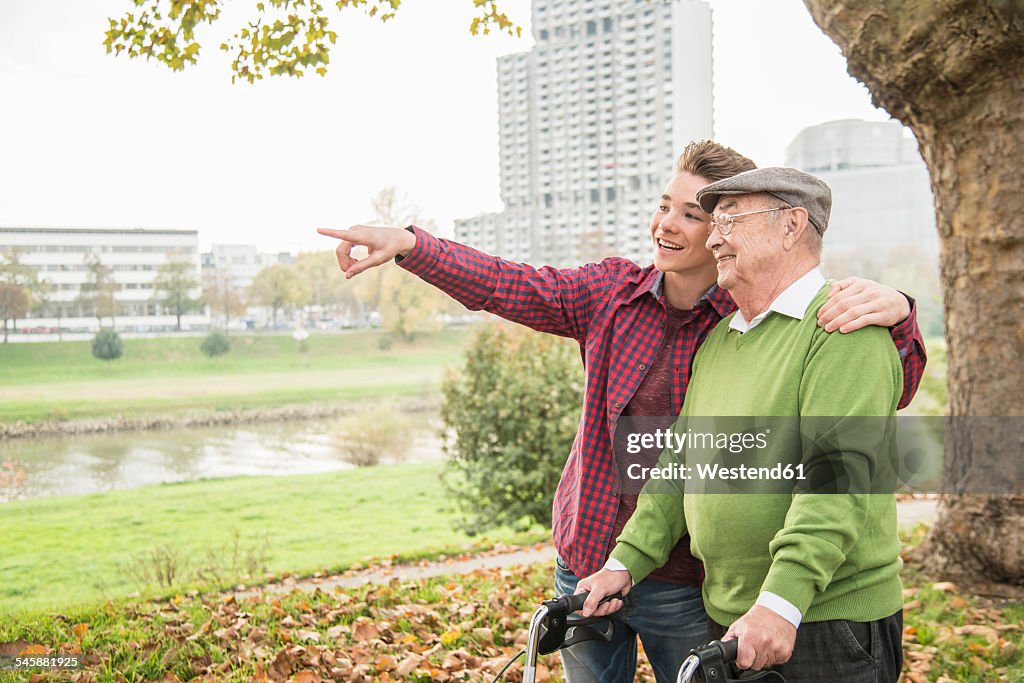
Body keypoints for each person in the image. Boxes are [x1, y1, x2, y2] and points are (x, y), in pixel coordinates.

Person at [317, 141, 925, 683]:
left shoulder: (803, 321)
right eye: (669, 206)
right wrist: (412, 245)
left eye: (709, 217)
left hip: (713, 591)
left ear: (786, 227)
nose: (683, 227)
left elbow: (852, 443)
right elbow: (510, 285)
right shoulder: (646, 307)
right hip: (604, 563)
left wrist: (901, 312)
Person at [578, 167, 907, 682]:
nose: (713, 237)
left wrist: (781, 602)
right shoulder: (721, 342)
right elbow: (677, 467)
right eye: (713, 223)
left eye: (730, 219)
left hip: (821, 620)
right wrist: (624, 563)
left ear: (791, 225)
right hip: (734, 620)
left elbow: (838, 481)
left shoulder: (844, 332)